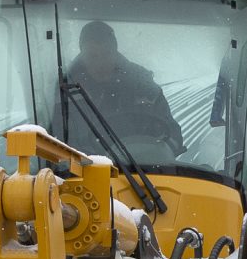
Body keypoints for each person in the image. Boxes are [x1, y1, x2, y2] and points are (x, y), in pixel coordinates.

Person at [65, 20, 184, 157]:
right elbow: (58, 142)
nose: (100, 63)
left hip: (145, 171)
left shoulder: (143, 86)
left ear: (115, 51)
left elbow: (172, 135)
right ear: (82, 54)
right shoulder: (67, 89)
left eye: (106, 54)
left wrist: (163, 150)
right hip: (84, 173)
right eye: (93, 56)